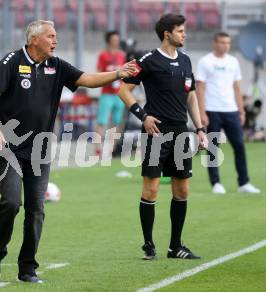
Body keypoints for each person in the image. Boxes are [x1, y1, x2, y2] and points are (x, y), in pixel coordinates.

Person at [0, 20, 137, 283]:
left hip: (40, 149)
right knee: (11, 202)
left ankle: (27, 268)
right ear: (34, 39)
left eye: (56, 36)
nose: (55, 41)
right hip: (9, 148)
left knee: (36, 209)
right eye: (51, 36)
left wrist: (117, 73)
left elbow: (87, 79)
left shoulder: (57, 65)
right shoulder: (11, 61)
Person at [117, 14, 208, 261]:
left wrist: (199, 129)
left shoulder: (187, 61)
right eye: (180, 30)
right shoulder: (147, 60)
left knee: (182, 191)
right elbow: (123, 91)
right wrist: (143, 116)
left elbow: (190, 97)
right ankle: (148, 246)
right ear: (167, 33)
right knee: (151, 190)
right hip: (156, 133)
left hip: (181, 132)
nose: (184, 34)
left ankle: (175, 246)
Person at [196, 32, 260, 194]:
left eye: (228, 43)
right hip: (212, 110)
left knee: (239, 145)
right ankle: (216, 183)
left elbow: (237, 87)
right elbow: (200, 89)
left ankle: (244, 183)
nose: (226, 45)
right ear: (215, 43)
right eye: (223, 42)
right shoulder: (205, 62)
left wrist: (241, 110)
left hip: (231, 110)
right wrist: (201, 112)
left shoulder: (233, 62)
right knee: (213, 148)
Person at [95, 30, 127, 156]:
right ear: (109, 41)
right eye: (113, 40)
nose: (116, 42)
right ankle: (98, 147)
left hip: (118, 94)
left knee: (117, 122)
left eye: (117, 40)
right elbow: (98, 72)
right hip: (107, 93)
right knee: (102, 121)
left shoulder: (122, 56)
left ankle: (113, 148)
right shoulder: (103, 56)